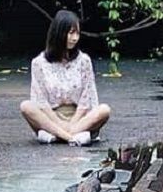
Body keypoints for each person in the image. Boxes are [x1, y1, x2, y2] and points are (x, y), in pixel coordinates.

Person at [20, 10, 111, 146]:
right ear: (59, 33)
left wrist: (73, 123)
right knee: (26, 106)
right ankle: (71, 137)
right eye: (70, 33)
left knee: (104, 110)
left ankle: (57, 136)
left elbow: (87, 97)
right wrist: (59, 124)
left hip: (80, 118)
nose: (74, 38)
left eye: (77, 33)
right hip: (50, 117)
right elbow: (41, 101)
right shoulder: (39, 63)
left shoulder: (84, 61)